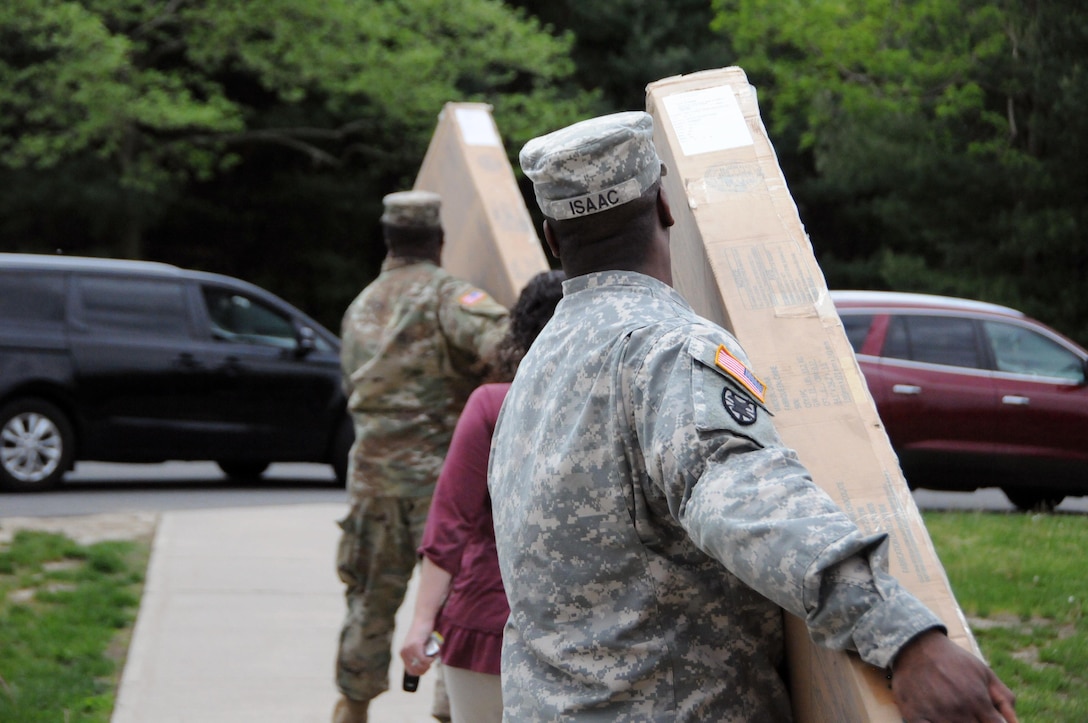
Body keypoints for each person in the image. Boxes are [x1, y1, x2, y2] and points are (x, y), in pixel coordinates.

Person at [487, 111, 1019, 722]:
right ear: (664, 204)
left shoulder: (535, 368)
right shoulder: (667, 348)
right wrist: (904, 637)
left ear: (553, 240)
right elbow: (738, 497)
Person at [334, 189, 509, 723]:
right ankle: (448, 710)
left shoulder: (360, 305)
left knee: (368, 601)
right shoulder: (447, 297)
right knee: (451, 607)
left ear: (388, 241)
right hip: (440, 487)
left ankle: (352, 706)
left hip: (372, 481)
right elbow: (508, 345)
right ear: (438, 240)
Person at [398, 269, 566, 723]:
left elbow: (450, 522)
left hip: (486, 621)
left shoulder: (493, 405)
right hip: (585, 629)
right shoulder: (615, 403)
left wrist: (421, 621)